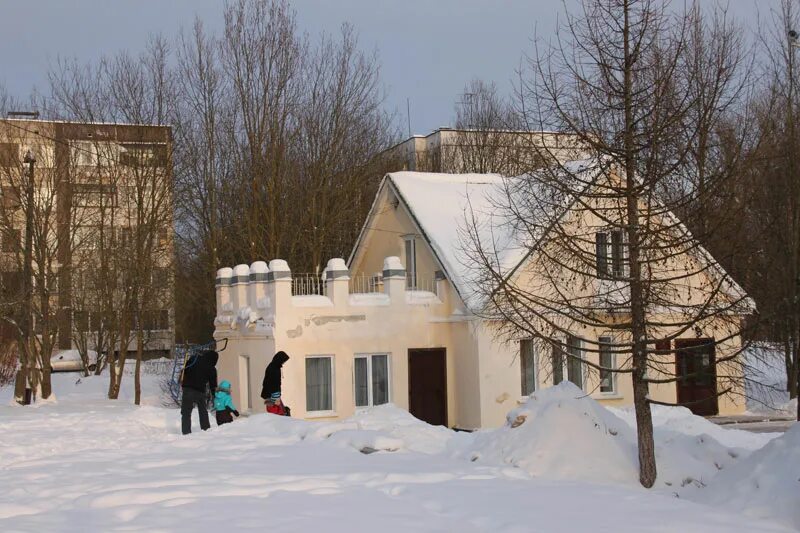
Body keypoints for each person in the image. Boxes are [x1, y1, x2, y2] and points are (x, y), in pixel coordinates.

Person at [181, 349, 218, 435]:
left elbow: (185, 370)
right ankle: (206, 431)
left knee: (186, 412)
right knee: (203, 412)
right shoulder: (212, 368)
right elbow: (213, 385)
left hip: (187, 389)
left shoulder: (194, 358)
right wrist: (215, 397)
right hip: (200, 391)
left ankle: (186, 433)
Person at [261, 350, 289, 415]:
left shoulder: (275, 366)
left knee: (279, 412)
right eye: (283, 361)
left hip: (273, 394)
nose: (283, 363)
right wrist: (275, 397)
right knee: (275, 414)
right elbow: (271, 383)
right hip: (271, 395)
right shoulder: (273, 368)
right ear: (280, 359)